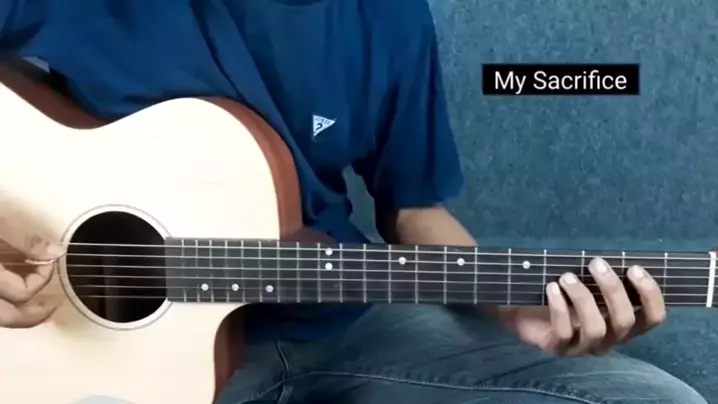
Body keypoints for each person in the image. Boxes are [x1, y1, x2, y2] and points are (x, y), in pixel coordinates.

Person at [0, 1, 707, 403]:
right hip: (98, 348)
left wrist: (512, 306)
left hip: (340, 325)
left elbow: (414, 211)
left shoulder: (389, 14)